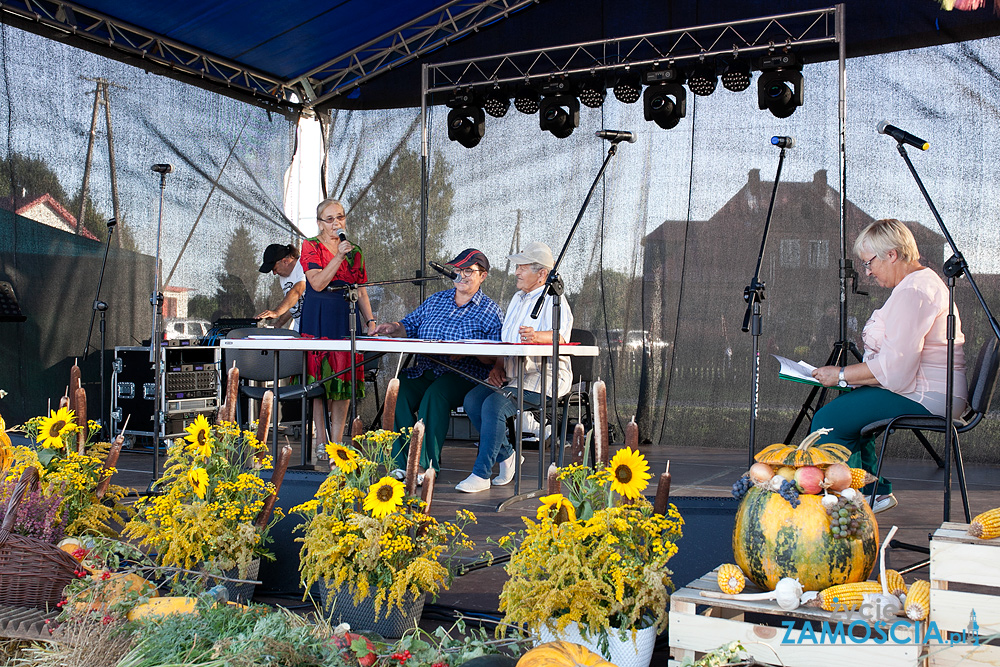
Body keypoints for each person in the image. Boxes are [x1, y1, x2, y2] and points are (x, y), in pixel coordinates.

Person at [810, 218, 966, 514]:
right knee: (848, 409)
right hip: (927, 390)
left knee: (828, 422)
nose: (867, 273)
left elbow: (896, 369)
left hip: (927, 396)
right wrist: (851, 380)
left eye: (869, 263)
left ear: (891, 254)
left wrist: (841, 375)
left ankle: (839, 504)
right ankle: (868, 491)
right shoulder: (920, 284)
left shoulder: (914, 292)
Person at [455, 242, 574, 493]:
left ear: (542, 274)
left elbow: (561, 337)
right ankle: (508, 456)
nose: (517, 272)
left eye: (522, 267)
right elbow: (506, 339)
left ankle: (481, 474)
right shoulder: (518, 298)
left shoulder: (556, 300)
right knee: (473, 400)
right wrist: (498, 366)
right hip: (513, 374)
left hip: (545, 377)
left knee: (495, 405)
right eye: (517, 267)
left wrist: (537, 335)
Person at [372, 249, 503, 474]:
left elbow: (496, 356)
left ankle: (425, 466)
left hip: (464, 374)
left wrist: (468, 351)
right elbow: (409, 325)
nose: (462, 275)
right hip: (427, 369)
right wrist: (393, 327)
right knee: (397, 390)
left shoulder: (490, 311)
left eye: (469, 271)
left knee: (436, 395)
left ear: (483, 276)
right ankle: (401, 464)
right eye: (459, 269)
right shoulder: (436, 300)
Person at [299, 198, 376, 454]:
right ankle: (321, 441)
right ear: (320, 224)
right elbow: (318, 283)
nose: (336, 223)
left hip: (345, 316)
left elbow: (361, 290)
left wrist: (371, 321)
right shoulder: (310, 246)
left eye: (340, 217)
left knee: (343, 380)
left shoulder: (356, 251)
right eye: (330, 219)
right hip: (318, 315)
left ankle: (337, 440)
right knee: (319, 381)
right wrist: (338, 256)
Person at [256, 243, 306, 331]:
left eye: (274, 269)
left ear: (285, 261)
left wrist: (276, 312)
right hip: (300, 326)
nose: (274, 273)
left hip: (316, 325)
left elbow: (296, 292)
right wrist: (278, 324)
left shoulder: (303, 265)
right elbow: (292, 304)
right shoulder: (283, 276)